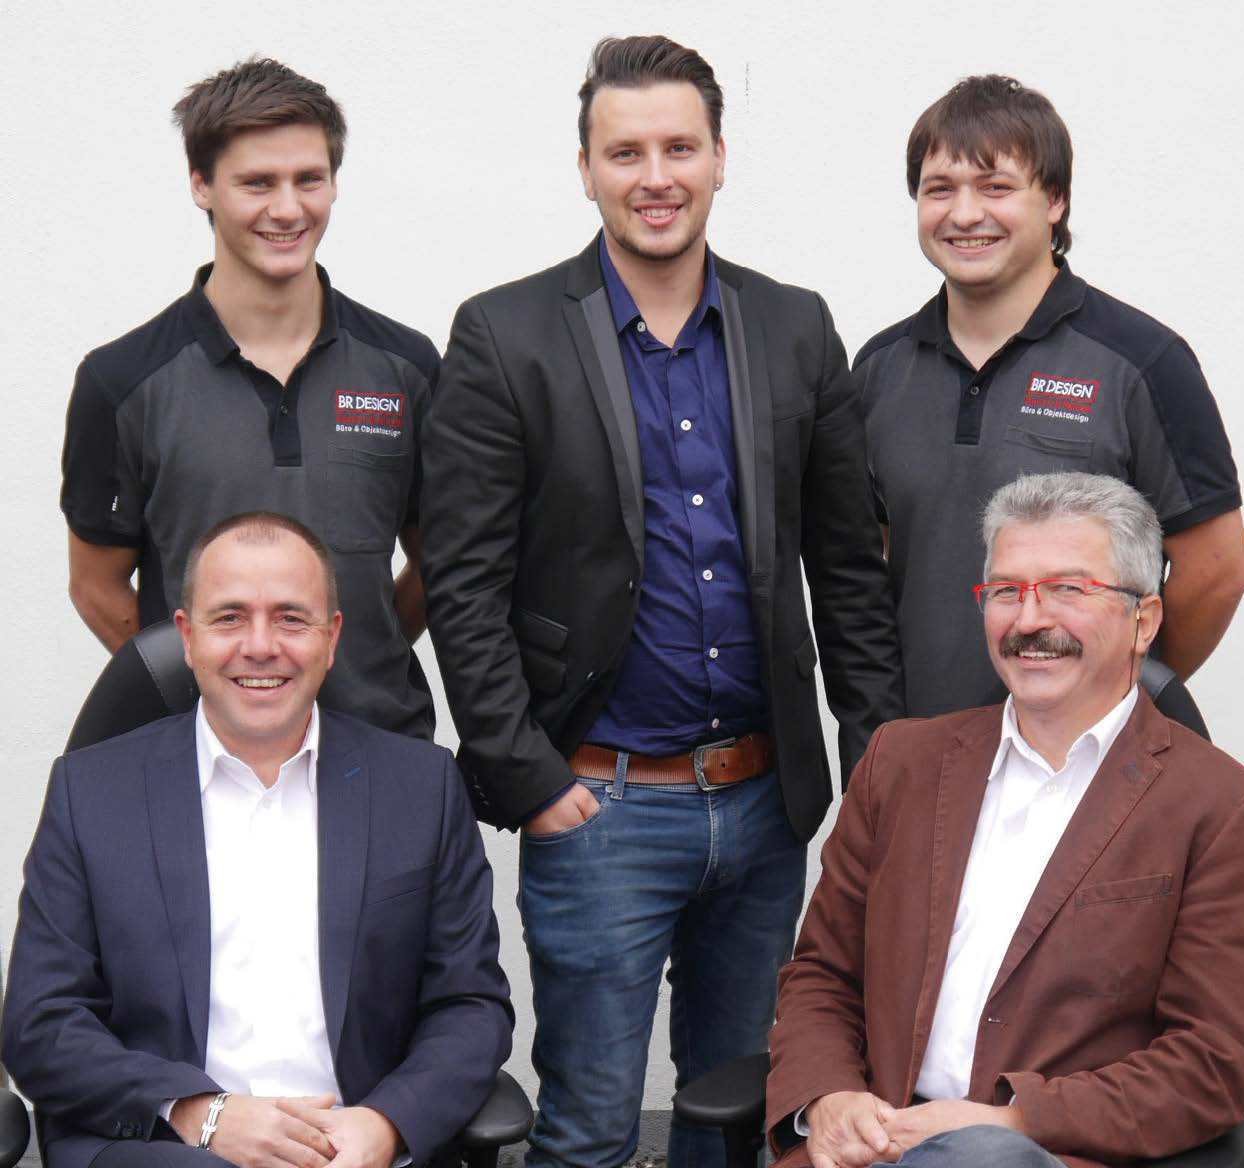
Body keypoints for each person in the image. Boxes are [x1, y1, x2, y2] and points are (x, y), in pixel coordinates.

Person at [422, 34, 902, 1168]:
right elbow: (464, 583)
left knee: (738, 1115)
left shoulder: (794, 326)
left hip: (763, 804)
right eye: (625, 152)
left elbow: (846, 570)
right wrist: (532, 781)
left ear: (720, 158)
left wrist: (875, 765)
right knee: (588, 1127)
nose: (655, 177)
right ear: (585, 169)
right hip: (601, 805)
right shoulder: (505, 335)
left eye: (679, 148)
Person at [766, 472, 1244, 1168]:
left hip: (1047, 1152)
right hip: (869, 1144)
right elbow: (823, 974)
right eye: (1007, 591)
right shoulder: (902, 763)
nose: (1029, 620)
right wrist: (829, 1097)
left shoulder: (1218, 806)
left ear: (1144, 621)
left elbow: (1214, 1061)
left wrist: (1013, 1121)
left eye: (1067, 589)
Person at [2, 513, 513, 1168]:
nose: (261, 645)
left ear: (332, 638)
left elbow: (471, 1007)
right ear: (188, 637)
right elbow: (41, 1021)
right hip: (163, 1148)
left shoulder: (421, 788)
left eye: (291, 619)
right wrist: (202, 1114)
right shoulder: (91, 793)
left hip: (354, 1150)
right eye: (230, 617)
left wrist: (386, 1124)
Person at [60, 58, 437, 738]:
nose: (287, 209)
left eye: (308, 180)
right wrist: (203, 681)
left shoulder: (406, 368)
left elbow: (442, 559)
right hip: (199, 758)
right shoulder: (122, 381)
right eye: (258, 183)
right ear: (201, 185)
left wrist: (338, 658)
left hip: (379, 744)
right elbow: (95, 584)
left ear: (334, 182)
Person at [854, 74, 1244, 719]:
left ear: (1056, 200)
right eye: (940, 189)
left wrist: (1118, 697)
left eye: (996, 187)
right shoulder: (879, 370)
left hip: (1083, 756)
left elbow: (1218, 570)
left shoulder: (1142, 362)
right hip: (924, 750)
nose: (964, 214)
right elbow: (867, 572)